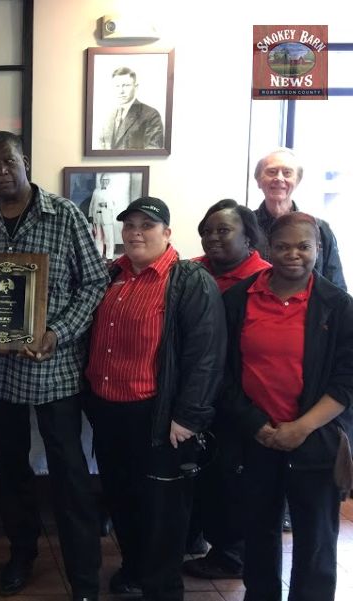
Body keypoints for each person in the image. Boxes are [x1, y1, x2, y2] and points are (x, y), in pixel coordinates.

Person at [0, 131, 108, 601]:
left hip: (53, 368)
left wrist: (57, 332)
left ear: (25, 160)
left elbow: (95, 283)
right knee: (10, 469)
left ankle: (83, 572)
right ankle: (22, 552)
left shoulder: (65, 216)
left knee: (69, 472)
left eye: (7, 161)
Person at [84, 197, 226, 601]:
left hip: (159, 416)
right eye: (129, 226)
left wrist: (189, 416)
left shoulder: (188, 280)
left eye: (146, 226)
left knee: (162, 510)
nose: (135, 233)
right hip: (109, 412)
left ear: (167, 233)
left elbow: (206, 354)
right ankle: (133, 568)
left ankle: (162, 588)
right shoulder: (112, 275)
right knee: (122, 497)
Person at [222, 212, 353, 601]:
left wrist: (302, 427)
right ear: (268, 248)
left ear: (319, 249)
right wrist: (256, 424)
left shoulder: (338, 306)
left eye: (304, 246)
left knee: (316, 539)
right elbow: (222, 374)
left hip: (316, 438)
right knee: (258, 532)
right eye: (282, 246)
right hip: (255, 437)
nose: (293, 254)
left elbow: (348, 379)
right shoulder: (237, 300)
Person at [183, 199, 270, 581]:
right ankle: (197, 538)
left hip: (240, 395)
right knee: (203, 471)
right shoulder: (192, 271)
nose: (212, 237)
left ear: (249, 237)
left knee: (233, 478)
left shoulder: (264, 279)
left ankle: (231, 555)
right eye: (206, 231)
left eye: (223, 230)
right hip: (198, 391)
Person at [252, 148, 346, 290]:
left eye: (287, 173)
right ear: (258, 180)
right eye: (272, 172)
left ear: (297, 181)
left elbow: (336, 287)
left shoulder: (319, 228)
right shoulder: (245, 226)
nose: (279, 178)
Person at [97, 67, 164, 150]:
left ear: (136, 87)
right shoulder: (109, 116)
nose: (121, 91)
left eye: (126, 85)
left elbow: (153, 150)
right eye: (117, 86)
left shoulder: (151, 114)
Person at [88, 174, 117, 259]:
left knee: (109, 238)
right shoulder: (96, 191)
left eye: (106, 180)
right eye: (103, 180)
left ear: (108, 181)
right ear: (100, 181)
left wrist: (106, 204)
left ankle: (109, 257)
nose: (104, 182)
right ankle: (99, 256)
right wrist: (90, 216)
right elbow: (92, 204)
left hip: (107, 218)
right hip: (97, 217)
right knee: (98, 238)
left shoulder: (112, 191)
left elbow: (115, 205)